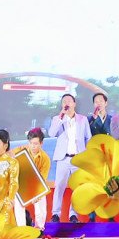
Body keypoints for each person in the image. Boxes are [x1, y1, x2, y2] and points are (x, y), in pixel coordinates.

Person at [44, 94, 89, 224]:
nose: (67, 103)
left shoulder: (82, 119)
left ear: (74, 104)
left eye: (69, 101)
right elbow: (52, 133)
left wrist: (84, 155)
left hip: (78, 159)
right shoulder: (57, 119)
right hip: (63, 159)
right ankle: (56, 214)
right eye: (64, 101)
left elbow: (88, 137)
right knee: (59, 187)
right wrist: (60, 117)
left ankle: (73, 215)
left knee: (77, 188)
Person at [16, 128, 53, 228]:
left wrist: (37, 194)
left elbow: (42, 179)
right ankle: (21, 229)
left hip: (37, 184)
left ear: (41, 143)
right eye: (31, 143)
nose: (33, 146)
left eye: (36, 143)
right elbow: (9, 157)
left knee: (41, 201)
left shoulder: (45, 159)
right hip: (21, 183)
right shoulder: (21, 150)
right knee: (18, 201)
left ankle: (39, 228)